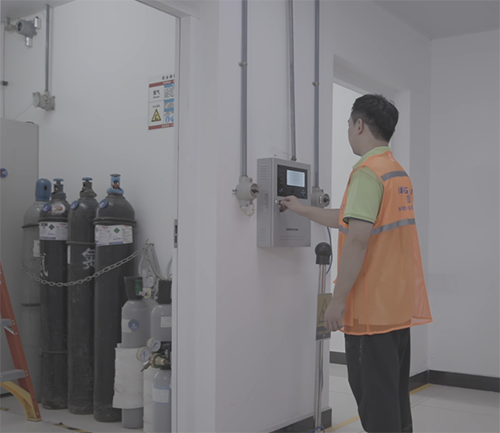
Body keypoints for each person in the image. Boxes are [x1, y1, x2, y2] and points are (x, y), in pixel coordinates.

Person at [281, 94, 432, 433]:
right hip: (395, 307)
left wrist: (337, 301)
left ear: (359, 125)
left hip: (370, 311)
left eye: (349, 124)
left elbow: (359, 239)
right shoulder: (395, 173)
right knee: (393, 397)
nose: (349, 130)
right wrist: (303, 210)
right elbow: (351, 219)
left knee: (375, 403)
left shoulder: (367, 173)